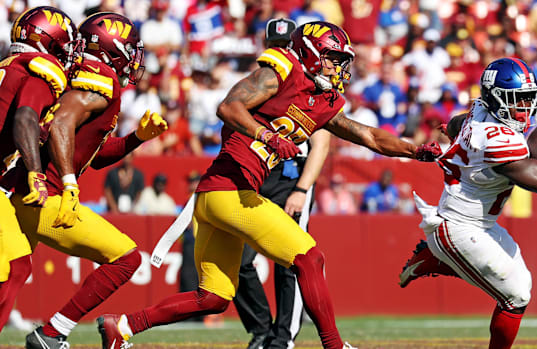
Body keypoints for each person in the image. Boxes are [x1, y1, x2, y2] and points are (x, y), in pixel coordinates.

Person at [97, 21, 441, 349]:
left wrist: (414, 150)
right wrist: (267, 135)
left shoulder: (324, 101)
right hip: (230, 191)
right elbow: (228, 106)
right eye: (333, 59)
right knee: (310, 257)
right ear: (309, 52)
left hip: (219, 196)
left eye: (341, 62)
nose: (338, 68)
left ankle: (123, 326)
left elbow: (367, 135)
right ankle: (334, 346)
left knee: (213, 298)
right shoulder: (281, 71)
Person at [1, 12, 167, 349]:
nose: (135, 57)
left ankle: (50, 334)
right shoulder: (101, 76)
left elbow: (92, 153)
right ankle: (53, 333)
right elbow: (60, 126)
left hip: (23, 187)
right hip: (44, 194)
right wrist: (68, 181)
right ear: (112, 49)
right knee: (126, 258)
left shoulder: (81, 76)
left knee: (12, 275)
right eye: (130, 48)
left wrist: (136, 138)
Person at [398, 57, 537, 349]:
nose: (524, 108)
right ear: (495, 98)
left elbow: (457, 123)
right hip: (458, 227)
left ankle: (434, 257)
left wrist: (454, 130)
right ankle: (437, 254)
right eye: (515, 100)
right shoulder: (499, 141)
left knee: (524, 286)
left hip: (478, 223)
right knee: (516, 295)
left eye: (527, 99)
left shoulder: (479, 110)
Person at [232, 18, 328, 349]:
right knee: (239, 261)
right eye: (277, 43)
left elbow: (322, 143)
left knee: (291, 262)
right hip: (258, 173)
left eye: (287, 42)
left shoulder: (313, 84)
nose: (282, 48)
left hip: (291, 177)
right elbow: (232, 117)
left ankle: (282, 339)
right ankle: (262, 330)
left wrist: (302, 189)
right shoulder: (262, 78)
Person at [0, 6, 80, 333]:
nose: (67, 53)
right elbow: (24, 118)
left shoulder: (9, 65)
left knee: (15, 265)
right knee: (16, 266)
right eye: (64, 44)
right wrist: (35, 172)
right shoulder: (41, 68)